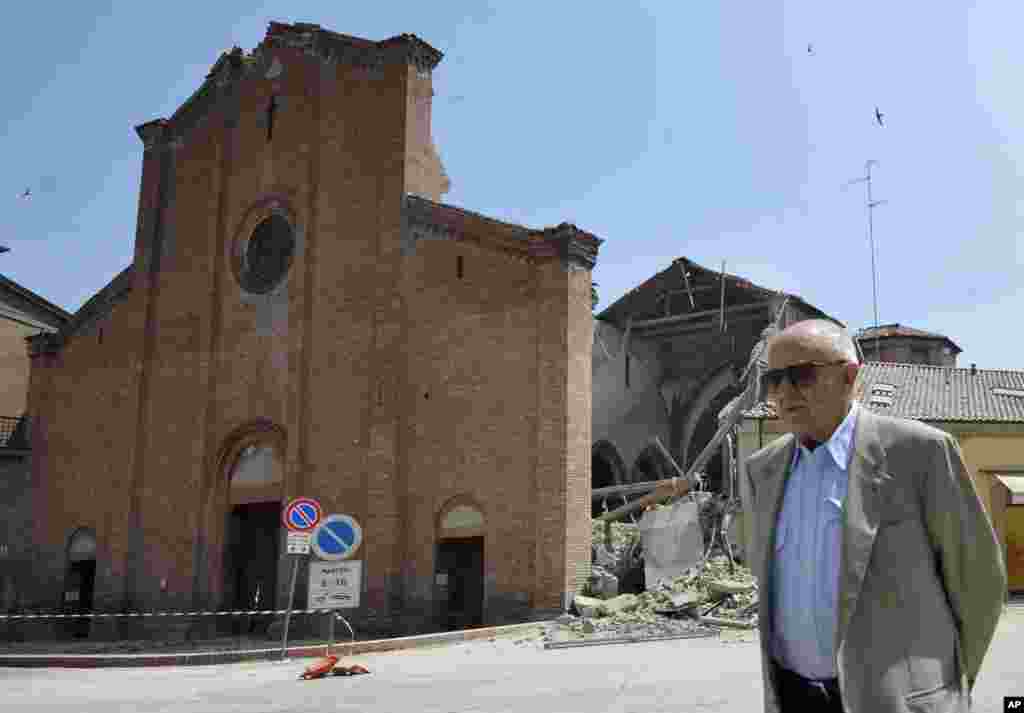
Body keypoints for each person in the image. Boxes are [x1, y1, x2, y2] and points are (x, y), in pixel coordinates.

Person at [744, 319, 1006, 712]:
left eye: (800, 376)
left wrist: (947, 685)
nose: (783, 392)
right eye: (774, 380)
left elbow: (979, 580)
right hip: (792, 695)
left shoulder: (920, 452)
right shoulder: (762, 469)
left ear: (849, 377)